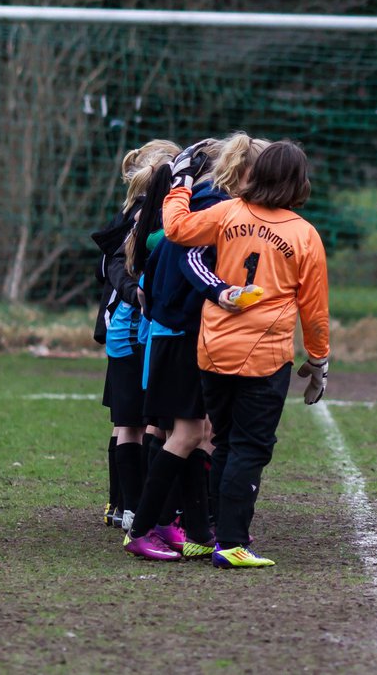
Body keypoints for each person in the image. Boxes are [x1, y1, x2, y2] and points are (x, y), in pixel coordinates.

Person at [162, 140, 330, 568]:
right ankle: (232, 541)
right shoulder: (304, 235)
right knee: (250, 448)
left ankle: (213, 531)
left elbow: (176, 229)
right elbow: (314, 310)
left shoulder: (228, 211)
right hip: (265, 355)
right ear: (298, 181)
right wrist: (319, 359)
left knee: (224, 442)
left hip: (213, 347)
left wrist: (179, 183)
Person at [122, 134, 267, 562]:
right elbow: (189, 261)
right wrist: (224, 293)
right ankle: (142, 528)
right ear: (244, 172)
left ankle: (194, 528)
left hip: (182, 332)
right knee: (185, 433)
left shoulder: (208, 202)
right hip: (181, 334)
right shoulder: (211, 206)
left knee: (198, 432)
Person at [91, 139, 180, 530]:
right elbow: (116, 271)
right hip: (136, 334)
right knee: (144, 423)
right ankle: (137, 507)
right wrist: (137, 294)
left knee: (129, 422)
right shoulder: (148, 217)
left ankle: (125, 506)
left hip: (126, 333)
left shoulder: (132, 213)